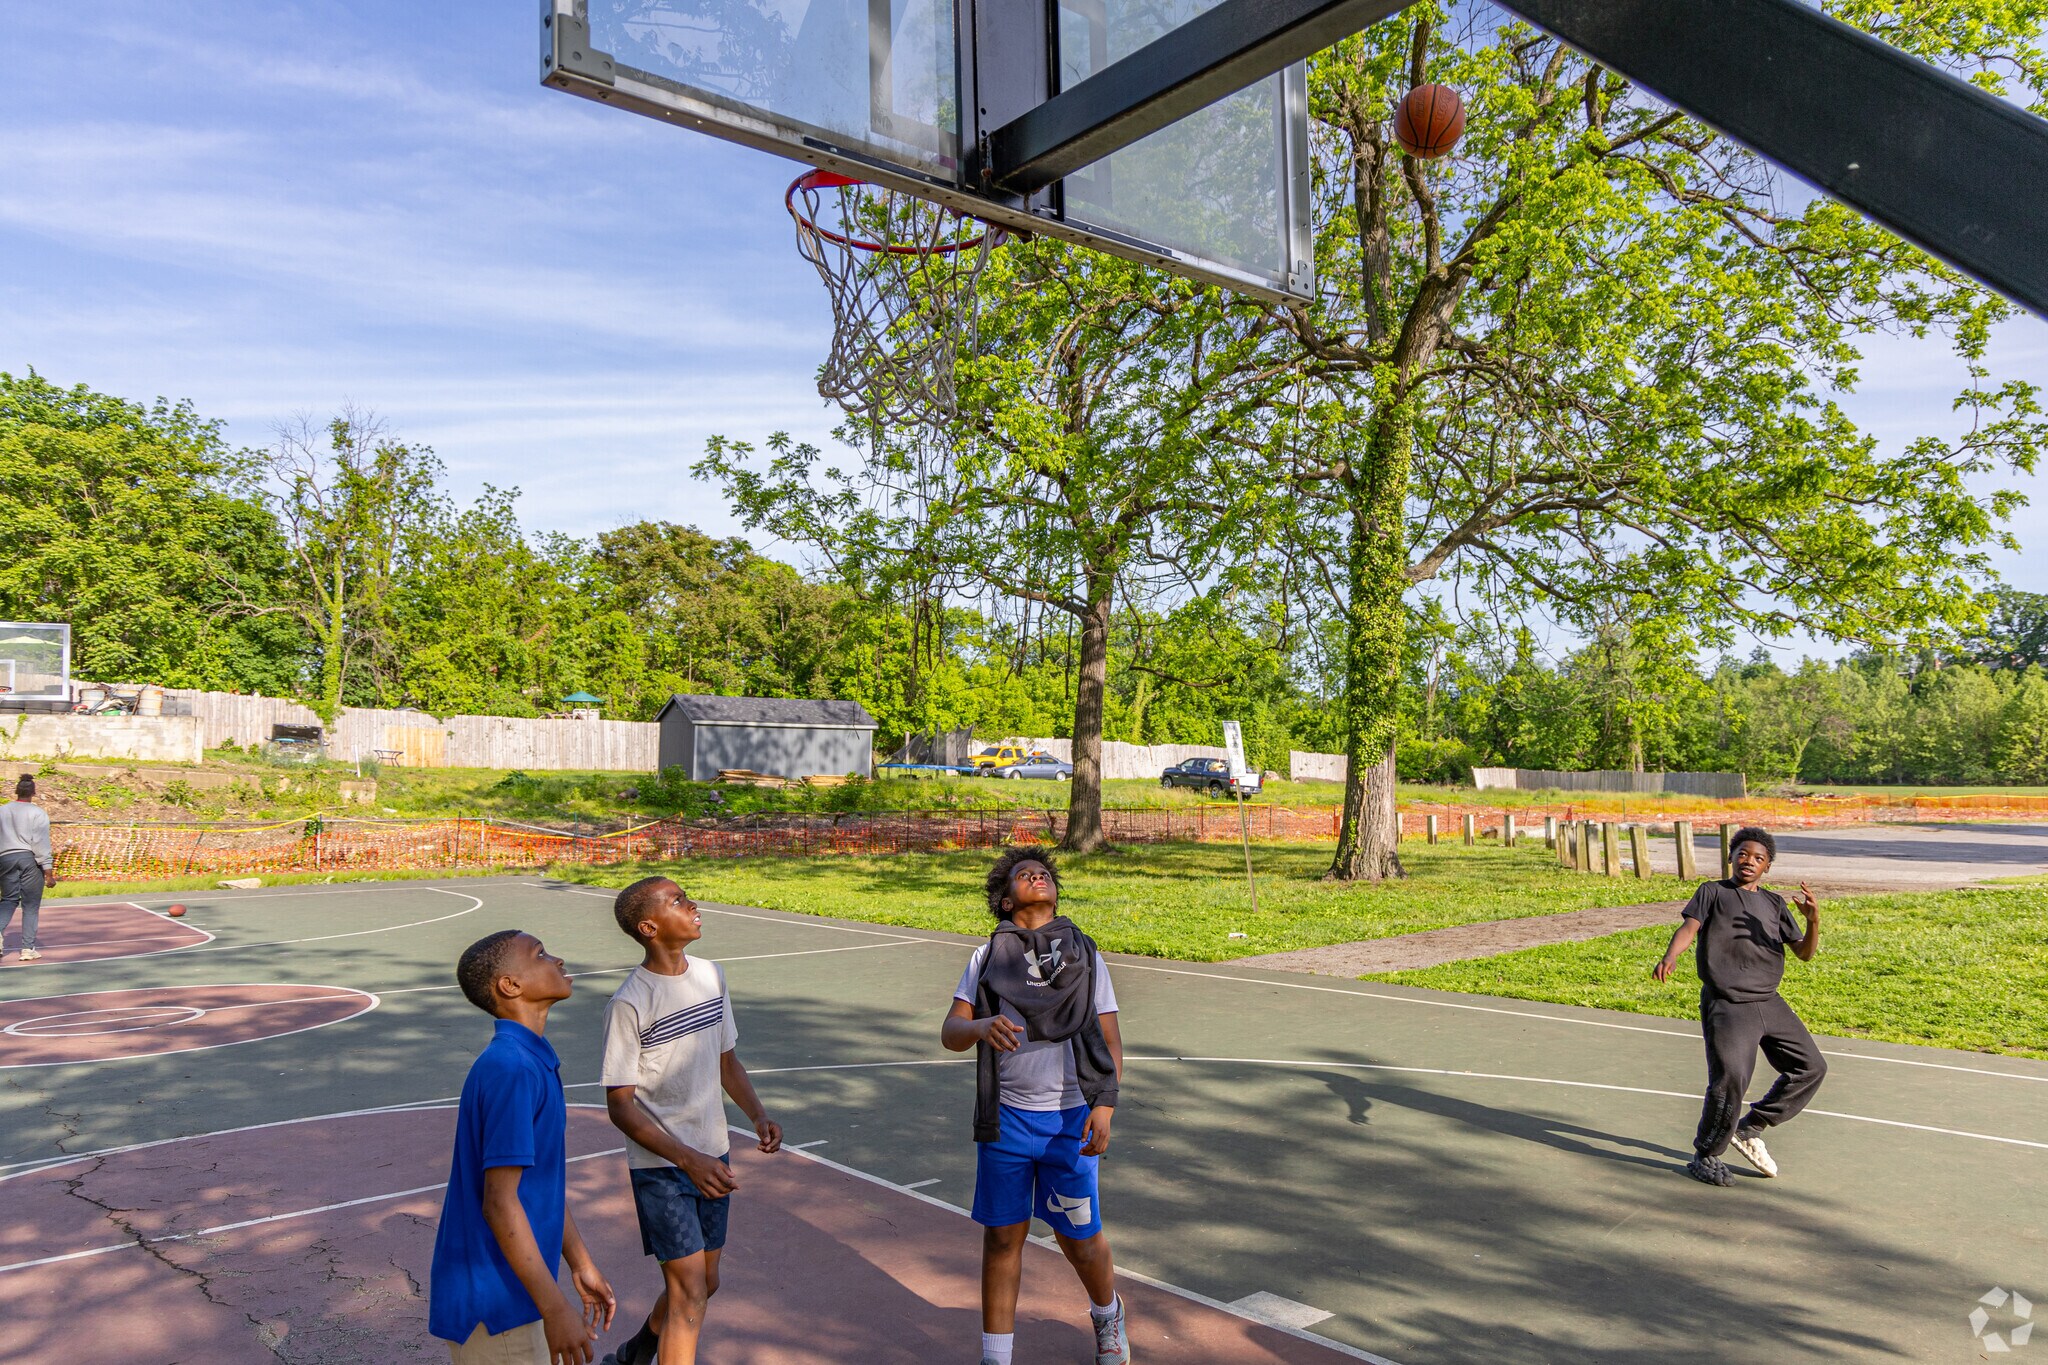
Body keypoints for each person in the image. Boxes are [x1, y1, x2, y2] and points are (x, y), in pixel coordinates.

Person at [942, 848, 1130, 1365]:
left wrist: (1105, 1104)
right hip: (1007, 1118)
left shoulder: (1085, 955)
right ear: (1005, 900)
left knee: (1081, 1240)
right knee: (1003, 1238)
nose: (1036, 874)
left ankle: (1107, 1313)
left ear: (1054, 893)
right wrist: (980, 1026)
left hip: (1070, 1118)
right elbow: (951, 1032)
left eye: (1044, 872)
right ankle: (996, 1356)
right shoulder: (985, 960)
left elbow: (1110, 1039)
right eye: (1022, 874)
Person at [600, 877, 782, 1365]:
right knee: (689, 1293)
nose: (693, 904)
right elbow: (620, 1106)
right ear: (650, 926)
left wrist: (758, 1113)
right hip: (662, 1167)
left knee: (707, 1281)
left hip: (712, 1153)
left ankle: (640, 1349)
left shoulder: (710, 975)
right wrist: (687, 1159)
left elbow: (727, 1061)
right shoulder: (630, 1002)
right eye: (679, 901)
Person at [430, 930, 616, 1364]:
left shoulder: (531, 1058)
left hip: (516, 1291)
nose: (558, 959)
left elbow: (541, 1183)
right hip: (497, 1304)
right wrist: (555, 1310)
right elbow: (499, 1204)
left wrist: (580, 1262)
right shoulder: (511, 1068)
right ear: (509, 985)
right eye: (541, 955)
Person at [1652, 825, 1826, 1187]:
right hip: (1728, 1004)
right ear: (1730, 857)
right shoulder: (1712, 892)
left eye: (1758, 858)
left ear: (1768, 867)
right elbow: (1688, 929)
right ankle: (1707, 1153)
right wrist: (1671, 956)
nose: (1749, 861)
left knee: (1811, 1067)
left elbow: (1804, 954)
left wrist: (1813, 921)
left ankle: (1751, 1127)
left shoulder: (1775, 904)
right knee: (1730, 1078)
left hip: (1768, 1001)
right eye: (1743, 854)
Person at [0, 774, 55, 963]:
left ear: (16, 791)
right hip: (29, 859)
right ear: (33, 792)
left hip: (5, 859)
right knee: (30, 906)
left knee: (8, 899)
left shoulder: (2, 811)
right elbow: (40, 843)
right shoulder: (38, 813)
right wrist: (48, 871)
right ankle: (27, 949)